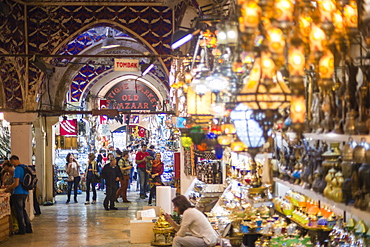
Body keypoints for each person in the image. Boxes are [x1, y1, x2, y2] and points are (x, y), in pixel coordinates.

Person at [5, 155, 33, 235]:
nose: (12, 164)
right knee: (23, 210)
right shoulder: (25, 167)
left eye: (11, 162)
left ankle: (22, 229)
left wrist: (9, 188)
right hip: (25, 192)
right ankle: (28, 228)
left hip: (18, 192)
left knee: (19, 212)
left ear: (13, 160)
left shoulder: (17, 169)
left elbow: (16, 183)